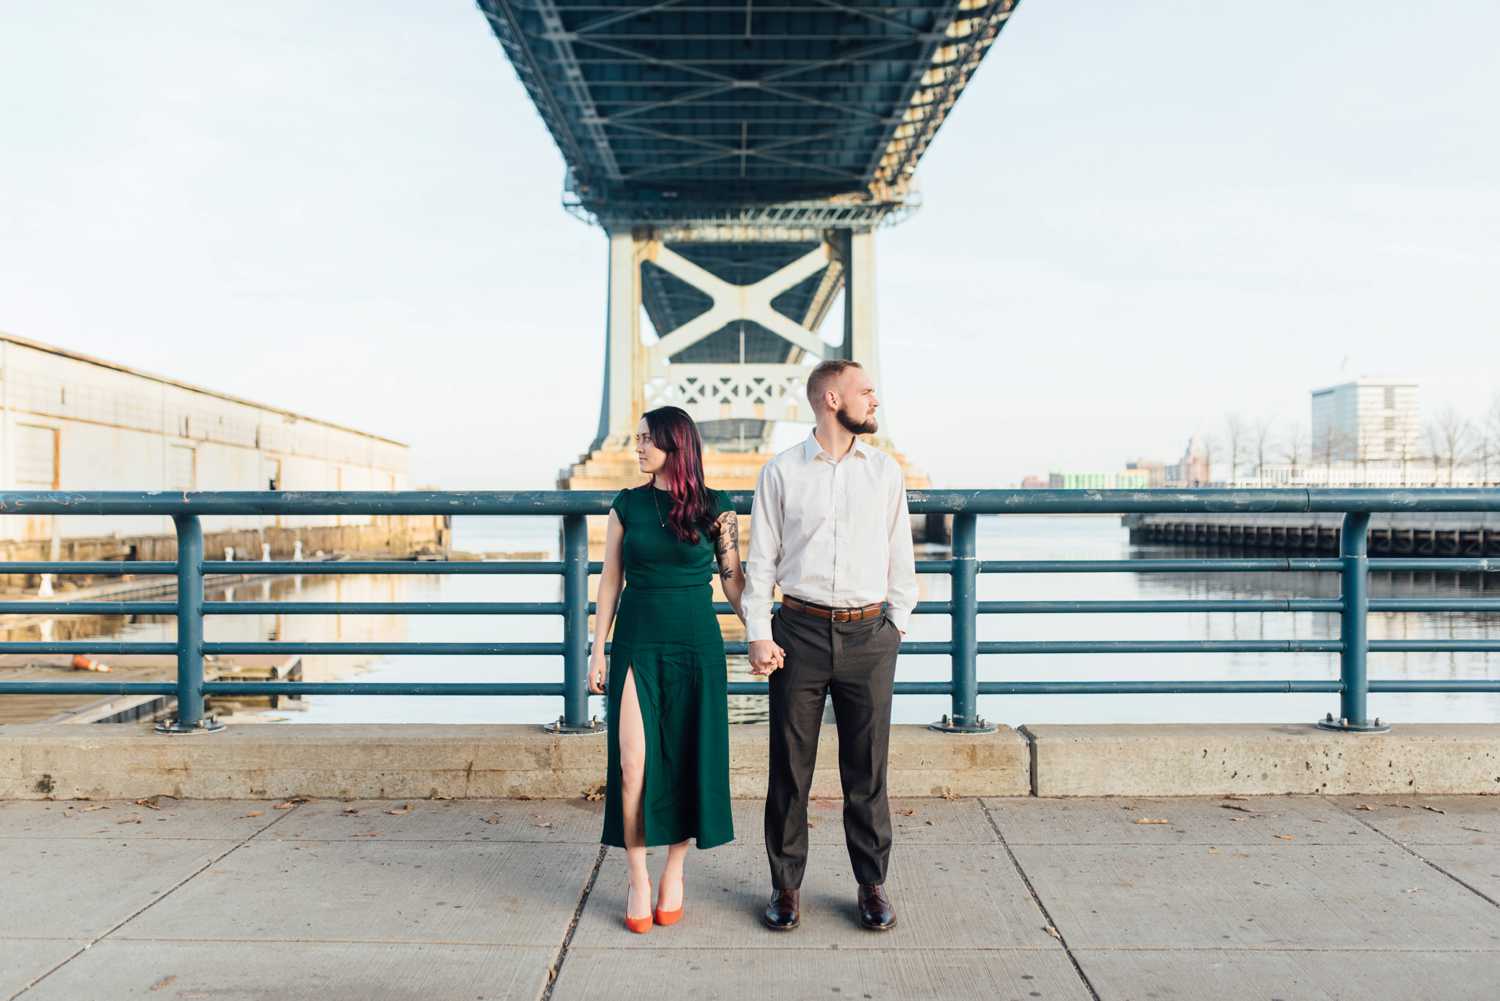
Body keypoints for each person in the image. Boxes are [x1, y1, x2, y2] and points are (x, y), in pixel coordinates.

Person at [742, 358, 917, 933]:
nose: (875, 399)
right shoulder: (781, 472)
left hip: (871, 634)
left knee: (867, 771)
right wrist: (759, 633)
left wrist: (898, 623)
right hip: (799, 632)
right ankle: (785, 887)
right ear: (831, 400)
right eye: (865, 390)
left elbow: (901, 554)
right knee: (789, 770)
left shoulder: (884, 471)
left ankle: (872, 886)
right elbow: (761, 560)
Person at [587, 405, 747, 934]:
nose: (637, 448)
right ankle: (637, 876)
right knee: (633, 763)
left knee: (687, 761)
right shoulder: (625, 506)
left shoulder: (718, 509)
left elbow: (732, 581)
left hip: (697, 645)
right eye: (636, 439)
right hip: (637, 642)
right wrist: (598, 649)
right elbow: (610, 579)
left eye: (646, 440)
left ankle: (674, 872)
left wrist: (763, 632)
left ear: (675, 445)